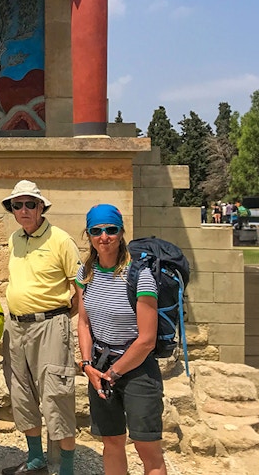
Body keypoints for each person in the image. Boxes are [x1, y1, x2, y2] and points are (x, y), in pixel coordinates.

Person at [76, 204, 167, 475]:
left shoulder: (140, 276)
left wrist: (113, 373)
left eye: (111, 230)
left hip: (136, 369)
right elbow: (83, 321)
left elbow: (147, 340)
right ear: (89, 234)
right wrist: (87, 365)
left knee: (146, 447)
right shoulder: (85, 273)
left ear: (121, 232)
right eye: (97, 230)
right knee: (111, 441)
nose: (104, 237)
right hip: (100, 367)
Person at [0, 180, 82, 475]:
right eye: (17, 205)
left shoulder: (61, 240)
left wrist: (60, 316)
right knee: (21, 394)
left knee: (57, 396)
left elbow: (80, 288)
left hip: (49, 325)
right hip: (17, 326)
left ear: (41, 207)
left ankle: (66, 469)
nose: (23, 210)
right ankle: (36, 459)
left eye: (30, 204)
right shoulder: (14, 239)